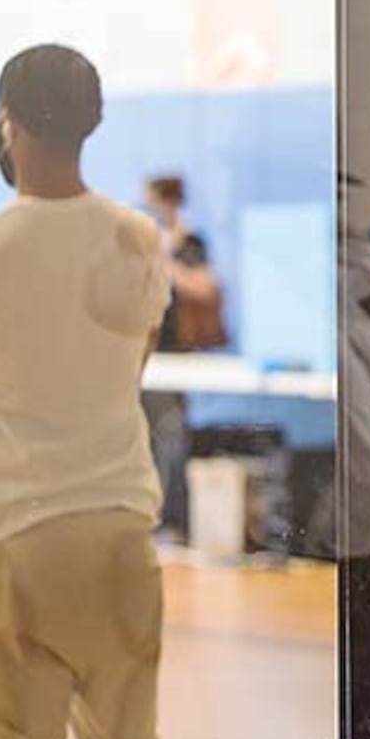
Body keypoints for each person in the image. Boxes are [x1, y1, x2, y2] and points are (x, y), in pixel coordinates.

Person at [0, 45, 171, 739]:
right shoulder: (139, 241)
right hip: (119, 538)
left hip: (15, 546)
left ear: (7, 122)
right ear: (94, 121)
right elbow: (128, 369)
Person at [141, 175, 225, 538]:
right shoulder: (145, 243)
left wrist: (166, 261)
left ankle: (168, 517)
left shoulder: (190, 243)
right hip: (147, 353)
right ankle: (150, 513)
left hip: (179, 353)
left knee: (170, 434)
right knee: (146, 434)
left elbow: (205, 287)